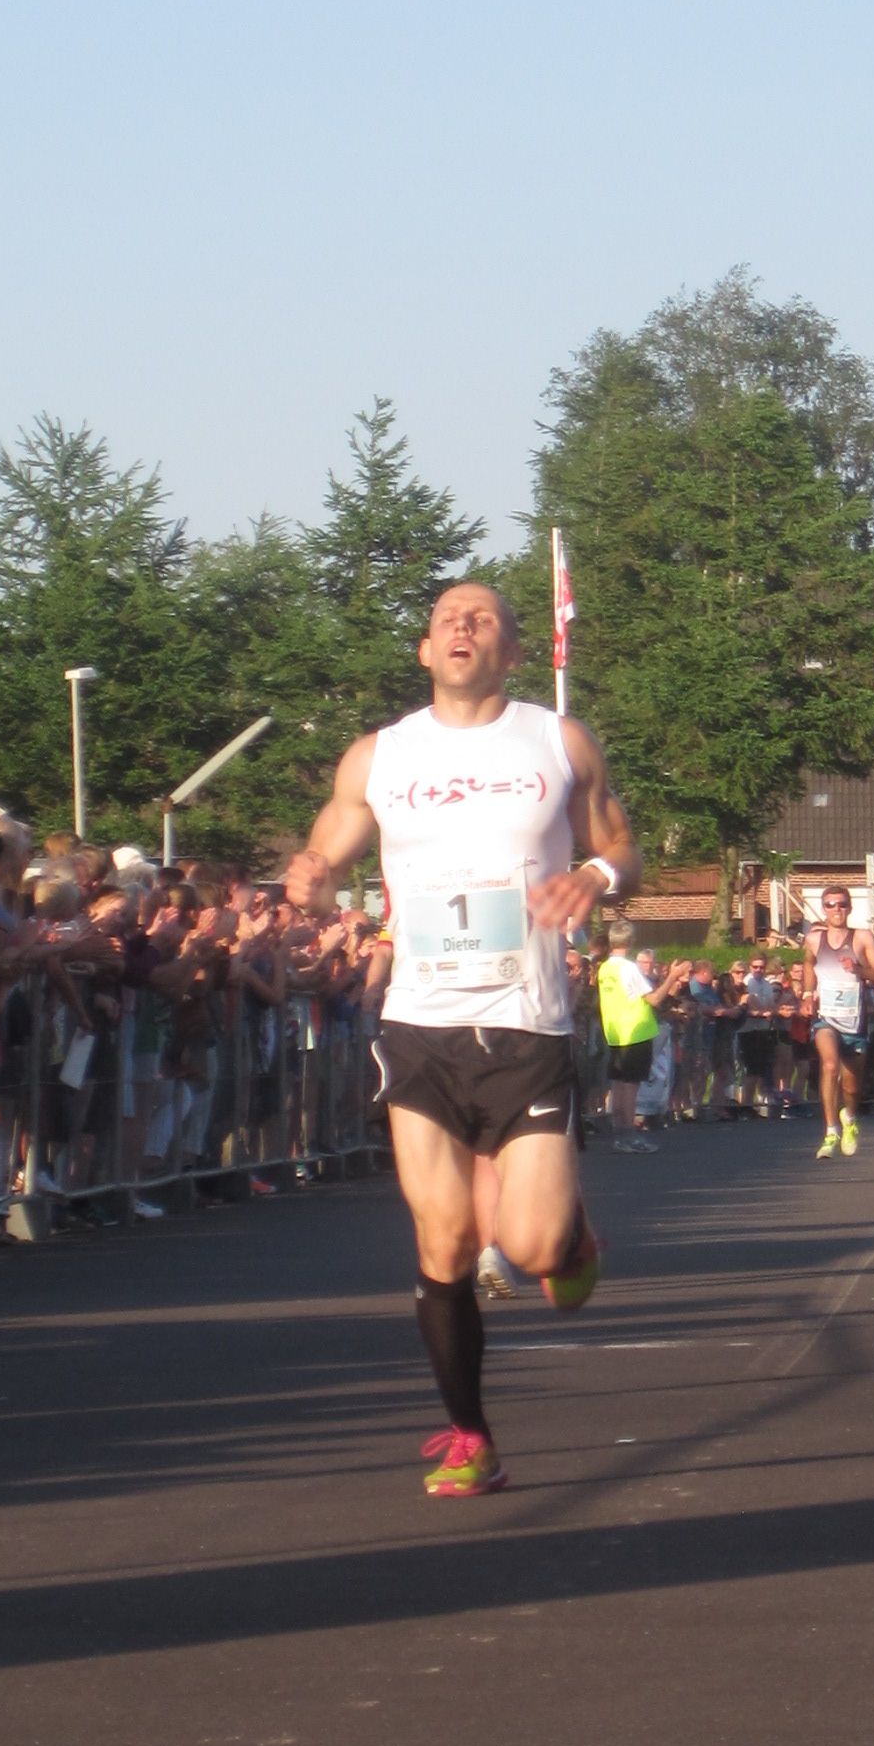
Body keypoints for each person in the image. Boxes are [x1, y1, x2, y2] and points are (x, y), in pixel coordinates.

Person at [285, 582, 641, 1499]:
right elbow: (327, 852)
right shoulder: (381, 755)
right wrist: (313, 882)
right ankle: (472, 1437)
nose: (462, 626)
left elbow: (621, 847)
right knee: (444, 1244)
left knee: (528, 1245)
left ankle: (571, 1243)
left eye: (482, 618)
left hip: (527, 1021)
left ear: (511, 652)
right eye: (447, 616)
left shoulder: (557, 742)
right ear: (424, 648)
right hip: (420, 1023)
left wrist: (596, 878)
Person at [802, 886, 874, 1160]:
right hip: (826, 1017)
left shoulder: (862, 937)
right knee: (830, 1065)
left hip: (854, 1020)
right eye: (831, 904)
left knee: (851, 1087)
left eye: (841, 904)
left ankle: (849, 1117)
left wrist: (859, 970)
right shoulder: (814, 939)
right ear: (824, 908)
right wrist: (807, 994)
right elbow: (808, 965)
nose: (836, 910)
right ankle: (830, 1131)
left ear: (850, 908)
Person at [597, 923, 687, 1150]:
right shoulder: (628, 968)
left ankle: (620, 1133)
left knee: (619, 1085)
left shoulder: (605, 968)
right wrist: (673, 976)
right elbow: (654, 999)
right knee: (630, 1086)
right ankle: (629, 1134)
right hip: (635, 1030)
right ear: (630, 941)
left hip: (616, 1031)